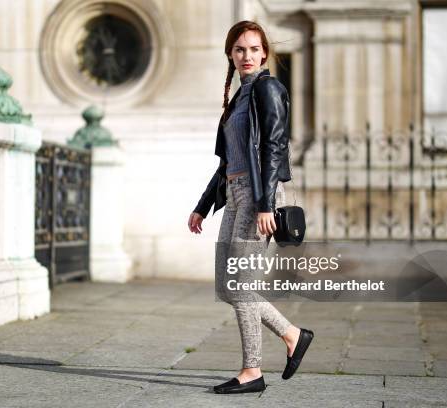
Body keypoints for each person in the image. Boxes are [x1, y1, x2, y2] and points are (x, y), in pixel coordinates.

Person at [187, 20, 314, 395]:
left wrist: (264, 204)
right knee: (227, 286)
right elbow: (228, 162)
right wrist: (202, 205)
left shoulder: (268, 89)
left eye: (254, 49)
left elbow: (274, 147)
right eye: (240, 49)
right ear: (231, 53)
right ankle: (292, 335)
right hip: (235, 195)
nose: (247, 56)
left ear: (264, 53)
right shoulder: (236, 99)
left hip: (259, 198)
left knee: (241, 286)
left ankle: (252, 371)